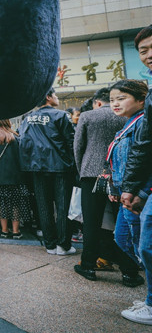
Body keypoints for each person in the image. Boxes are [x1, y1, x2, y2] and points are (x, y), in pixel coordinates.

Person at [72, 87, 142, 286]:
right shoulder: (126, 116)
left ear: (97, 102)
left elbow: (78, 147)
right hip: (121, 175)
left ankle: (87, 265)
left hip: (91, 174)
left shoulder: (87, 116)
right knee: (123, 221)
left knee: (91, 222)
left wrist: (83, 170)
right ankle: (129, 271)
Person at [115, 26, 152, 326]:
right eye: (143, 50)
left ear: (140, 100)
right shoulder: (129, 124)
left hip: (143, 189)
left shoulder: (139, 121)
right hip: (134, 190)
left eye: (122, 98)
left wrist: (139, 189)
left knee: (145, 244)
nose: (115, 103)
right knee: (132, 241)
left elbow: (142, 151)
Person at [19, 88, 77, 255]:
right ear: (48, 96)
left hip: (36, 168)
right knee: (63, 206)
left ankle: (49, 244)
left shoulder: (27, 118)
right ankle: (63, 245)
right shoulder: (60, 115)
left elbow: (24, 143)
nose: (57, 98)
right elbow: (70, 141)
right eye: (56, 95)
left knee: (43, 207)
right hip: (60, 167)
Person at [0, 120, 31, 239]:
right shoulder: (16, 139)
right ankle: (16, 231)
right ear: (8, 123)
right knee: (15, 205)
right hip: (16, 177)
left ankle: (4, 230)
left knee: (2, 204)